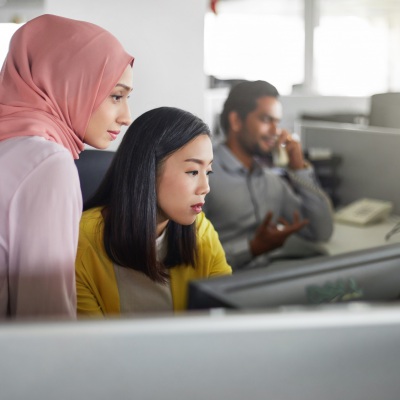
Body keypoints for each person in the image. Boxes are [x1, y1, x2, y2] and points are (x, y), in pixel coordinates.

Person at [0, 14, 134, 318]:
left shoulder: (10, 143)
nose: (126, 116)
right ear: (70, 84)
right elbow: (47, 318)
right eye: (116, 96)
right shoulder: (47, 164)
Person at [75, 107, 232, 317]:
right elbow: (91, 345)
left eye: (208, 172)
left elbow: (224, 320)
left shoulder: (201, 232)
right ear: (148, 170)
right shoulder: (80, 242)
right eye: (193, 172)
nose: (206, 187)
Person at [203, 80, 334, 270]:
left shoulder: (271, 181)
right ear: (236, 121)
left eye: (277, 122)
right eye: (266, 120)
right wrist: (252, 248)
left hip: (268, 280)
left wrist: (299, 168)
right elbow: (189, 258)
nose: (276, 132)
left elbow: (320, 231)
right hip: (221, 288)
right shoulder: (204, 177)